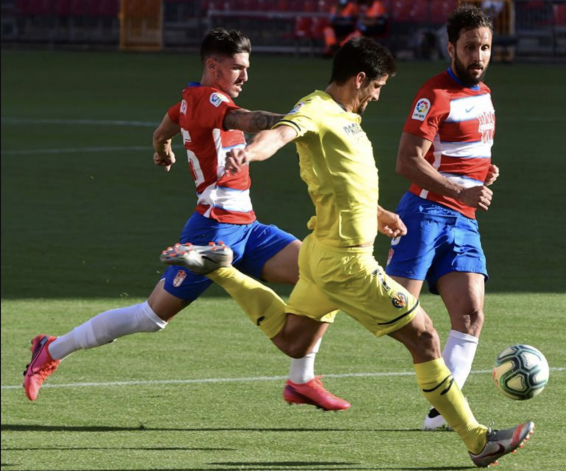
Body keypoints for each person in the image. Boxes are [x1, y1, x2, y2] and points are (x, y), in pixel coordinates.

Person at [167, 37, 534, 468]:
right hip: (347, 263)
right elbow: (280, 133)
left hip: (321, 254)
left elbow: (345, 180)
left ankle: (222, 270)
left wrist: (377, 214)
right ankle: (478, 440)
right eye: (376, 86)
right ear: (359, 79)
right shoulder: (317, 109)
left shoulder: (345, 116)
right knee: (424, 336)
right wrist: (245, 153)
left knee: (293, 338)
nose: (377, 95)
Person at [23, 27, 350, 412]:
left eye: (247, 68)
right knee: (150, 317)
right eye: (237, 68)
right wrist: (305, 120)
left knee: (325, 275)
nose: (245, 77)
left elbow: (163, 130)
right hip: (211, 231)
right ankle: (52, 348)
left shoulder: (188, 101)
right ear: (213, 67)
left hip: (248, 227)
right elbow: (251, 120)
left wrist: (163, 149)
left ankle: (301, 380)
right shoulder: (210, 99)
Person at [383, 5, 500, 431]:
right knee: (395, 312)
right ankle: (317, 312)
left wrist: (483, 172)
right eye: (470, 47)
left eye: (485, 47)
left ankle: (442, 415)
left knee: (470, 314)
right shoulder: (433, 95)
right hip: (425, 213)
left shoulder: (483, 94)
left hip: (463, 220)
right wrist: (460, 187)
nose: (479, 56)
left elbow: (462, 154)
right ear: (450, 47)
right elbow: (407, 161)